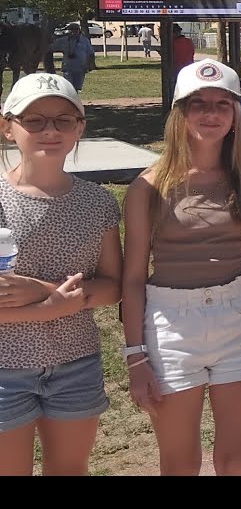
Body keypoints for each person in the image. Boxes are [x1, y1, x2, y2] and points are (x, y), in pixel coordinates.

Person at [120, 59, 241, 475]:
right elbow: (133, 278)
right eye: (198, 103)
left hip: (237, 319)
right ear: (180, 113)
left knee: (236, 457)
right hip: (171, 324)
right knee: (179, 460)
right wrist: (135, 357)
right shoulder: (149, 186)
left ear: (235, 115)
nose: (211, 114)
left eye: (223, 104)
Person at [0, 73, 123, 475]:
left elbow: (112, 286)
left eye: (62, 120)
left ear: (79, 128)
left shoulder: (98, 204)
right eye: (33, 120)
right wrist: (51, 307)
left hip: (76, 364)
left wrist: (43, 291)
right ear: (7, 126)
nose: (49, 131)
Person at [61, 23, 94, 91]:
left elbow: (90, 53)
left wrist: (90, 64)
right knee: (69, 87)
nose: (74, 31)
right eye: (71, 29)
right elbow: (51, 47)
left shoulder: (84, 40)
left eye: (76, 29)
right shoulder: (63, 40)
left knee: (77, 88)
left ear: (79, 30)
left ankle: (75, 100)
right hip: (68, 68)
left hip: (80, 68)